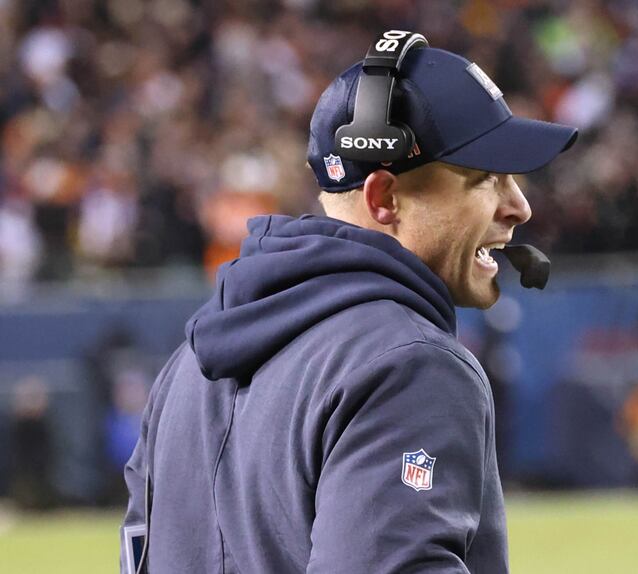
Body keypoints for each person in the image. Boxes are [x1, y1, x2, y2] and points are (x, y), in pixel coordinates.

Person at [121, 35, 577, 573]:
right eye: (485, 179)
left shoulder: (186, 368)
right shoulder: (409, 363)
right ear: (384, 198)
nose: (519, 206)